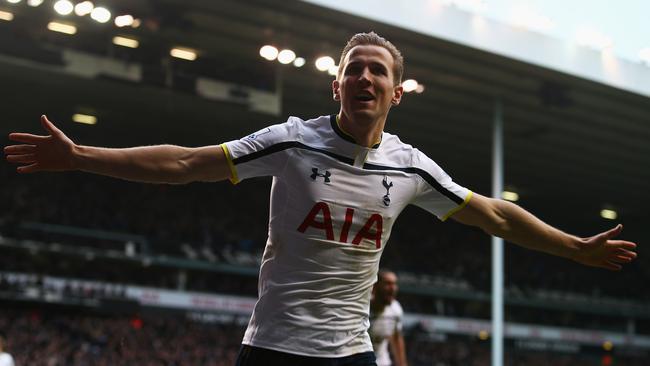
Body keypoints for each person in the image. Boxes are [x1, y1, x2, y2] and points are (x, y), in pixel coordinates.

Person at [3, 32, 637, 366]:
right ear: (337, 84)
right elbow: (185, 164)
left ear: (396, 94)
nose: (365, 76)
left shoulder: (410, 167)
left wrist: (575, 247)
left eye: (377, 71)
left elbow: (495, 214)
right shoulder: (292, 142)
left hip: (351, 355)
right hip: (274, 350)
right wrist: (81, 156)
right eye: (354, 68)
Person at [369, 270, 407, 366]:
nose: (393, 288)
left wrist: (402, 364)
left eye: (394, 284)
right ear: (375, 286)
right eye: (388, 283)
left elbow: (397, 337)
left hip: (382, 361)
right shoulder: (363, 308)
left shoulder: (395, 309)